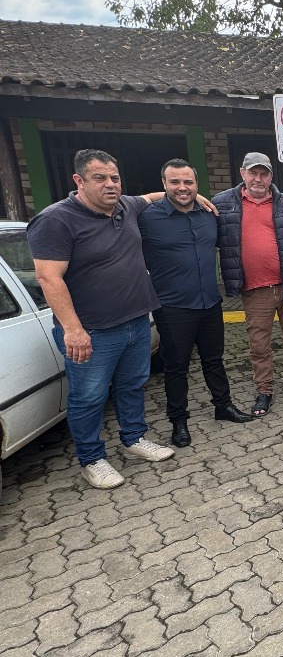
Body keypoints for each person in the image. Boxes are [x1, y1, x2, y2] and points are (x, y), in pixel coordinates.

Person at [27, 148, 176, 489]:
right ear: (79, 180)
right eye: (100, 178)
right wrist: (73, 329)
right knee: (89, 397)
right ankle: (92, 458)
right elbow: (49, 278)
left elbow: (150, 197)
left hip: (136, 321)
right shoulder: (55, 221)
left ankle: (134, 439)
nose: (110, 185)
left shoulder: (125, 205)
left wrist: (194, 195)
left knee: (132, 385)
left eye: (114, 178)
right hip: (92, 330)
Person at [138, 158, 253, 447]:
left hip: (210, 303)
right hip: (173, 307)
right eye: (174, 181)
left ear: (197, 184)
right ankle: (178, 421)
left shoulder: (208, 216)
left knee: (214, 360)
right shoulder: (147, 218)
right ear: (163, 183)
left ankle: (223, 406)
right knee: (176, 368)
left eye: (188, 182)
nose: (182, 187)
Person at [213, 151, 283, 416]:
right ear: (242, 173)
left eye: (264, 173)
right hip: (254, 289)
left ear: (271, 176)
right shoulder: (222, 204)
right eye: (253, 173)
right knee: (259, 344)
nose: (258, 179)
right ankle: (264, 391)